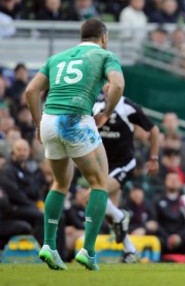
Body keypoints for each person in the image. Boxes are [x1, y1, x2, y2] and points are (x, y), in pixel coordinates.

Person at [24, 18, 125, 271]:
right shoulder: (104, 55)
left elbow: (30, 91)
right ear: (103, 37)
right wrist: (107, 112)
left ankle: (48, 245)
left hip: (50, 120)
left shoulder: (57, 58)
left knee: (59, 183)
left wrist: (38, 124)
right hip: (76, 119)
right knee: (99, 183)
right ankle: (88, 251)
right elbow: (118, 85)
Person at [92, 87, 160, 263]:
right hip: (103, 166)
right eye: (105, 84)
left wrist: (153, 158)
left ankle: (120, 217)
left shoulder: (128, 106)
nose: (108, 88)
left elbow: (154, 130)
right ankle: (130, 251)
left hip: (124, 164)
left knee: (96, 196)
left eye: (112, 84)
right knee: (110, 215)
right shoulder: (95, 106)